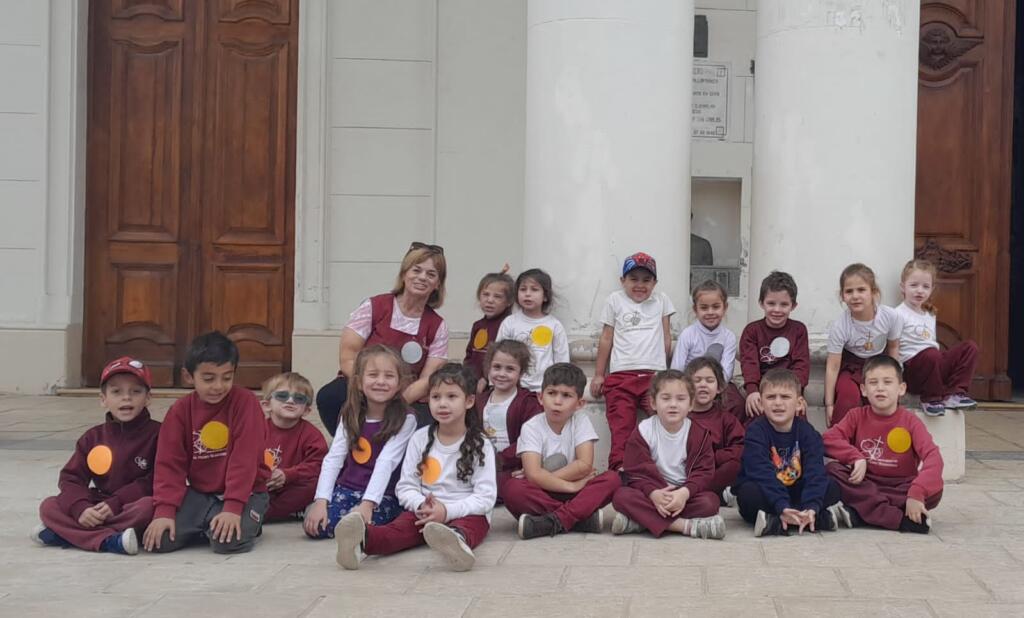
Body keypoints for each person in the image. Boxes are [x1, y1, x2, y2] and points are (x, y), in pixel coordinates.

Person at [334, 364, 496, 572]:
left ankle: (457, 542)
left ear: (469, 401)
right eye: (436, 397)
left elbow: (485, 497)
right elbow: (405, 486)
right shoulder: (420, 438)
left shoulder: (480, 444)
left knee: (474, 524)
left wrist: (447, 511)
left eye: (451, 397)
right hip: (424, 512)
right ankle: (361, 540)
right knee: (397, 530)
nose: (442, 404)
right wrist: (421, 505)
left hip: (466, 511)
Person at [142, 332, 270, 554]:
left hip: (247, 493)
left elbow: (245, 460)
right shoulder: (180, 411)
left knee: (226, 542)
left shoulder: (246, 403)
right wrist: (164, 511)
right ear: (188, 376)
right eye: (209, 379)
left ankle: (239, 521)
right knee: (160, 540)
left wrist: (232, 508)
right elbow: (169, 464)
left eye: (227, 378)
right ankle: (209, 522)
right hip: (201, 495)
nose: (218, 386)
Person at [31, 357, 161, 555]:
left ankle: (70, 534)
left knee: (147, 508)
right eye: (116, 392)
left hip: (129, 504)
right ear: (103, 399)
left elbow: (156, 479)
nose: (126, 398)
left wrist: (116, 503)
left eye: (135, 392)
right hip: (98, 502)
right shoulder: (92, 438)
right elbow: (71, 478)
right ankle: (110, 540)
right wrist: (81, 509)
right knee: (49, 506)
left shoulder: (158, 434)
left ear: (148, 398)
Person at [316, 242, 449, 433]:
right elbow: (348, 357)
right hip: (363, 385)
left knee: (426, 425)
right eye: (416, 270)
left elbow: (427, 379)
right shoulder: (373, 307)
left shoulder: (438, 326)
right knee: (330, 397)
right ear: (404, 274)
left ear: (437, 284)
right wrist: (372, 391)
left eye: (431, 274)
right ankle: (352, 445)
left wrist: (394, 400)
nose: (422, 277)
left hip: (405, 395)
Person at [304, 346, 417, 538]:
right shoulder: (350, 414)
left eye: (389, 376)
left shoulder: (405, 418)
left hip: (384, 494)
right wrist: (321, 501)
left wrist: (367, 504)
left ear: (400, 384)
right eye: (373, 375)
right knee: (317, 526)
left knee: (366, 527)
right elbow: (334, 458)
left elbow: (387, 461)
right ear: (358, 382)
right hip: (348, 489)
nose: (380, 381)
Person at [824, 355, 944, 534]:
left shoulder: (910, 421)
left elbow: (933, 457)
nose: (880, 388)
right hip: (866, 484)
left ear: (901, 389)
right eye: (873, 383)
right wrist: (855, 457)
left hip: (900, 488)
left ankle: (862, 512)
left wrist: (917, 493)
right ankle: (898, 520)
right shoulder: (856, 416)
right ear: (864, 389)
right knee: (832, 471)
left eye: (887, 382)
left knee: (935, 489)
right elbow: (828, 439)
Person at [502, 363, 621, 539]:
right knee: (512, 489)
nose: (557, 401)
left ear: (579, 404)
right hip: (543, 492)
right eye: (552, 393)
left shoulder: (580, 421)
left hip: (575, 492)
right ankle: (579, 519)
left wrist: (541, 476)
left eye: (566, 395)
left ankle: (549, 522)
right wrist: (570, 486)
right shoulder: (531, 427)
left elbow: (584, 465)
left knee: (613, 479)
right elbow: (533, 475)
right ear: (540, 397)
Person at [610, 369, 725, 539]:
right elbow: (635, 470)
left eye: (681, 399)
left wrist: (684, 493)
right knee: (621, 497)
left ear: (691, 404)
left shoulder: (699, 433)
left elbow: (704, 472)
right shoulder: (644, 430)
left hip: (683, 493)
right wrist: (653, 493)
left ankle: (641, 521)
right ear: (653, 403)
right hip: (652, 492)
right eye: (666, 398)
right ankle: (684, 526)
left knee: (710, 502)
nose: (673, 404)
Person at [732, 368, 845, 537]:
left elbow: (815, 471)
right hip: (769, 492)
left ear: (799, 403)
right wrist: (781, 505)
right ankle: (813, 519)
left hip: (798, 492)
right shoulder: (755, 432)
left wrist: (811, 505)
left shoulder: (808, 433)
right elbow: (761, 472)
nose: (778, 403)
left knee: (832, 486)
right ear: (761, 403)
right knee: (747, 493)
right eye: (771, 397)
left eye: (785, 397)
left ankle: (790, 519)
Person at [590, 252, 675, 471]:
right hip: (621, 376)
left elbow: (667, 338)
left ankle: (664, 469)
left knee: (664, 421)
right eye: (633, 279)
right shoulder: (615, 300)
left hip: (653, 376)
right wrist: (599, 374)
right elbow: (606, 338)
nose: (640, 285)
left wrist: (666, 372)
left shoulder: (662, 301)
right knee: (621, 426)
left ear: (654, 283)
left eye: (646, 280)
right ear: (623, 281)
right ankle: (620, 470)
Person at [895, 259, 978, 416]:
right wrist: (896, 380)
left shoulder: (929, 314)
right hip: (912, 372)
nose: (920, 291)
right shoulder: (897, 314)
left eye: (925, 286)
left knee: (970, 347)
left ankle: (954, 394)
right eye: (914, 285)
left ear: (932, 289)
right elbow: (895, 347)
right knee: (931, 354)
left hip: (933, 365)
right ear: (903, 287)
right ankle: (931, 399)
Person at [824, 263, 902, 426]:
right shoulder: (840, 326)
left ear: (873, 292)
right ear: (842, 295)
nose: (855, 296)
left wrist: (895, 379)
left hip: (879, 365)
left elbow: (893, 347)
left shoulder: (890, 316)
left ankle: (875, 436)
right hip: (851, 367)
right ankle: (841, 437)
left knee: (880, 396)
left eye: (861, 290)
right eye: (849, 291)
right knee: (848, 396)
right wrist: (829, 404)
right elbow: (833, 366)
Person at [739, 271, 810, 421]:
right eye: (771, 303)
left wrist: (797, 393)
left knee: (799, 418)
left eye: (784, 304)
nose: (777, 310)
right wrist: (752, 390)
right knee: (755, 418)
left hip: (789, 389)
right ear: (761, 303)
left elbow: (801, 365)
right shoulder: (752, 331)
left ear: (793, 306)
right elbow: (749, 364)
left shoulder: (798, 330)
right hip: (761, 390)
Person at [476, 340, 543, 497]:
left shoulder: (528, 402)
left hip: (513, 466)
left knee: (509, 487)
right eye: (497, 367)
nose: (502, 374)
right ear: (489, 368)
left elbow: (530, 439)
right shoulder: (479, 401)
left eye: (510, 369)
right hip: (482, 463)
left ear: (521, 372)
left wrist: (500, 460)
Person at [670, 279, 744, 419]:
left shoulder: (728, 337)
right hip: (692, 383)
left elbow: (727, 371)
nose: (710, 312)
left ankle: (729, 431)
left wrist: (714, 387)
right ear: (695, 309)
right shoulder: (688, 334)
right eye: (704, 308)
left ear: (725, 307)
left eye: (716, 307)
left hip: (719, 385)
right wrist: (689, 387)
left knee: (737, 403)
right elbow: (677, 368)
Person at [260, 372, 328, 522]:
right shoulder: (256, 430)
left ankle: (265, 513)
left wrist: (288, 475)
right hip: (262, 484)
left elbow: (317, 465)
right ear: (266, 405)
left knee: (314, 485)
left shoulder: (312, 435)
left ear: (306, 410)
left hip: (292, 485)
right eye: (282, 396)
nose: (290, 401)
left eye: (299, 398)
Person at [683, 357, 745, 506]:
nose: (703, 385)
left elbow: (740, 447)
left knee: (734, 466)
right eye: (697, 380)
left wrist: (714, 457)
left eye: (709, 380)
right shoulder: (680, 417)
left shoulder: (726, 419)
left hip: (713, 473)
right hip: (686, 471)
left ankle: (694, 493)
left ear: (719, 388)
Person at [495, 268, 570, 392]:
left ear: (545, 296)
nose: (527, 294)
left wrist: (557, 387)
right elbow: (498, 355)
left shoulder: (554, 325)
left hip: (543, 389)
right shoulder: (510, 323)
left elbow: (562, 361)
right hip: (513, 388)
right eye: (523, 289)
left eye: (534, 289)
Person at [464, 268, 515, 391]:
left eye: (497, 296)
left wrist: (486, 378)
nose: (490, 300)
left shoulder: (509, 326)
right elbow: (470, 355)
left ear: (509, 302)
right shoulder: (478, 325)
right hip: (472, 383)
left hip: (494, 385)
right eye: (485, 294)